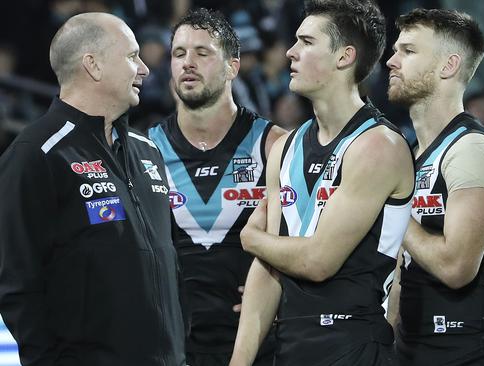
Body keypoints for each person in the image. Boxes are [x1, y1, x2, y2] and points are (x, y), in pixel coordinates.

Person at [229, 0, 415, 365]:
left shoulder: (378, 146)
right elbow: (268, 272)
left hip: (354, 346)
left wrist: (252, 239)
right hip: (291, 346)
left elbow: (319, 262)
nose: (290, 52)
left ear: (344, 57)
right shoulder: (285, 147)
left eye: (306, 42)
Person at [0, 12, 185, 366]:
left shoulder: (149, 151)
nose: (145, 69)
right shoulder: (35, 155)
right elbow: (17, 286)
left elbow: (170, 263)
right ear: (93, 65)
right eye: (132, 57)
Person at [148, 8, 284, 366]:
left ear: (232, 67)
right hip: (173, 346)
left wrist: (288, 298)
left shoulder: (275, 145)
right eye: (179, 54)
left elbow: (307, 241)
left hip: (260, 344)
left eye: (202, 53)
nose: (187, 63)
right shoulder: (145, 151)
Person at [385, 8, 484, 365]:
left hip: (470, 356)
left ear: (448, 66)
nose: (391, 61)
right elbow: (404, 266)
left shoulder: (471, 149)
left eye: (408, 51)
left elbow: (456, 267)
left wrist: (390, 206)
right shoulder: (415, 153)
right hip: (413, 352)